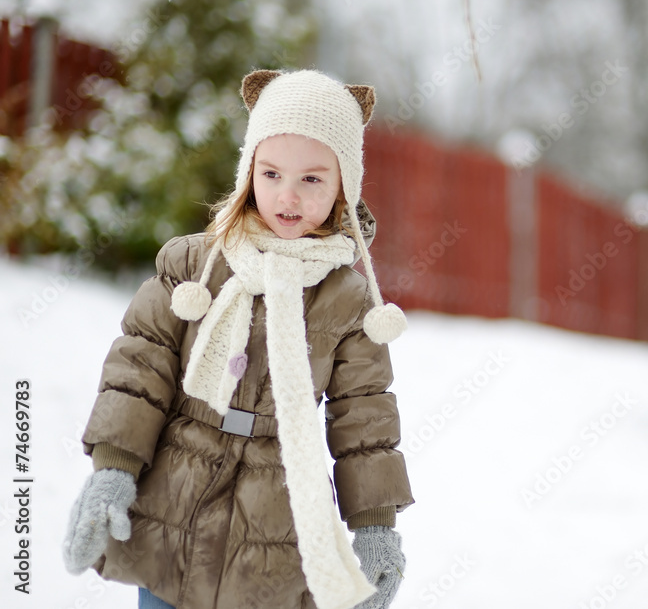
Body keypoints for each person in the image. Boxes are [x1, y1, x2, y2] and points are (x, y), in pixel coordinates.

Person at [62, 69, 415, 609]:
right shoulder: (195, 264)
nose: (287, 195)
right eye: (271, 173)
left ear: (345, 185)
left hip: (275, 517)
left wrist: (375, 530)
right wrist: (114, 467)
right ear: (249, 168)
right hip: (173, 497)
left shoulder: (348, 300)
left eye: (313, 179)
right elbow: (139, 369)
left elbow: (363, 419)